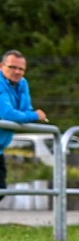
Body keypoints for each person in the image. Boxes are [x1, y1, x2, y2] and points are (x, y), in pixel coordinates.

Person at [0, 50, 48, 194]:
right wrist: (35, 116)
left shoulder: (22, 83)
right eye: (12, 67)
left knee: (2, 191)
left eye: (21, 69)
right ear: (1, 66)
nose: (17, 72)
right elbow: (8, 114)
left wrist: (28, 115)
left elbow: (26, 109)